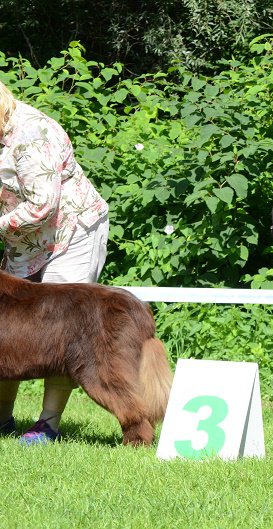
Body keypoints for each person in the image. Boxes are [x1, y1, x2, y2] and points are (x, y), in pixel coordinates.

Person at [0, 80, 109, 445]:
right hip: (25, 241)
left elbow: (42, 204)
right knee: (10, 329)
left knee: (64, 330)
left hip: (71, 232)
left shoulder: (32, 135)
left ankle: (47, 424)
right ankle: (2, 419)